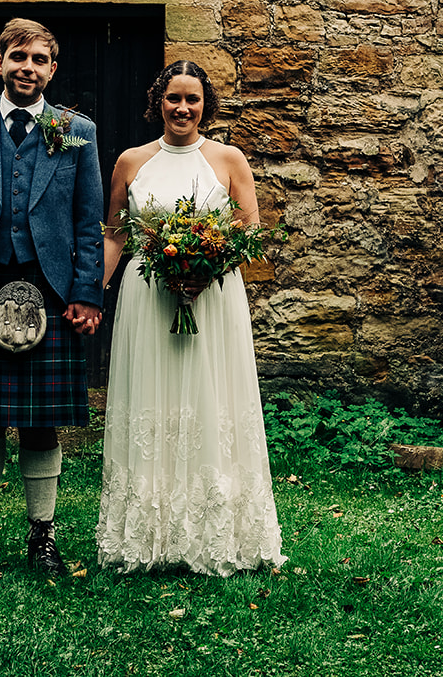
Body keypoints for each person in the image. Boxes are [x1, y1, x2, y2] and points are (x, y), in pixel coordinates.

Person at [94, 61, 285, 575]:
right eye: (174, 98)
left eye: (193, 100)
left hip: (213, 297)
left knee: (209, 399)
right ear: (158, 101)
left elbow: (250, 234)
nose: (183, 108)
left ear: (206, 105)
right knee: (152, 400)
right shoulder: (132, 161)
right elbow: (115, 233)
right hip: (147, 296)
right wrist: (94, 292)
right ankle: (150, 534)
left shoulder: (228, 159)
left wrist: (205, 267)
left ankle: (217, 529)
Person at [0, 18, 105, 575]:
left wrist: (87, 294)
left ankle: (43, 537)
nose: (27, 67)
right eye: (17, 57)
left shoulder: (76, 130)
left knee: (40, 422)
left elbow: (87, 223)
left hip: (51, 293)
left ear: (53, 70)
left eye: (38, 60)